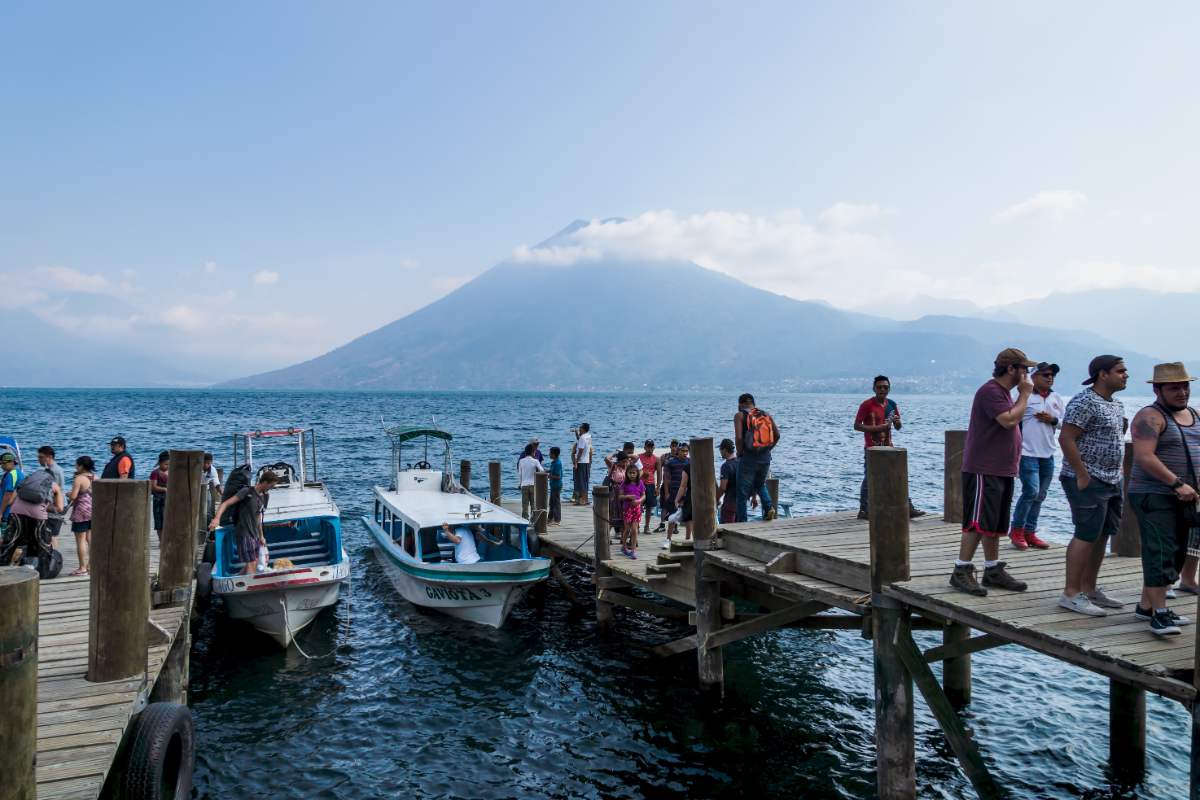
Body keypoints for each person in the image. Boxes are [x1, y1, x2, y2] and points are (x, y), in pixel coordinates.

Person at [949, 348, 1036, 596]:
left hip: (1002, 469)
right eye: (1024, 369)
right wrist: (1026, 395)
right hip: (983, 469)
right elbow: (1008, 420)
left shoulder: (1005, 393)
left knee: (994, 523)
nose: (1027, 374)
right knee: (977, 522)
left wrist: (1020, 396)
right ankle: (960, 570)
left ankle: (992, 569)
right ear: (1011, 369)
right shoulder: (991, 392)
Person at [1128, 362, 1200, 636]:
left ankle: (1146, 606)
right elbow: (1145, 457)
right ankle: (1159, 615)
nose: (1182, 392)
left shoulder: (1194, 414)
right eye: (1174, 388)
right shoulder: (1150, 417)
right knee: (1159, 550)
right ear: (1158, 389)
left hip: (1185, 497)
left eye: (1185, 386)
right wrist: (1176, 483)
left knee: (1177, 552)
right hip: (1153, 494)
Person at [1057, 355, 1129, 616]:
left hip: (1111, 478)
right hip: (1088, 478)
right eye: (1120, 371)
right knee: (1086, 532)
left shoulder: (1117, 404)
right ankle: (1071, 593)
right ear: (1103, 374)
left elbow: (1115, 438)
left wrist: (1118, 470)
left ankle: (1089, 587)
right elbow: (1066, 438)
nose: (1126, 375)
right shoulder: (1084, 401)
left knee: (1103, 533)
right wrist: (1082, 473)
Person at [1009, 362, 1064, 550]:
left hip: (1048, 453)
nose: (1050, 377)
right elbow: (1012, 421)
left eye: (1052, 375)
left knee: (1040, 495)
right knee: (1030, 491)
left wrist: (1053, 420)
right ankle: (1016, 530)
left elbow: (1065, 423)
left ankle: (1030, 532)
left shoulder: (1056, 398)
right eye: (1045, 374)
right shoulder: (1023, 397)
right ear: (1033, 377)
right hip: (1027, 453)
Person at [853, 376, 925, 520]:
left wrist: (897, 422)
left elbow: (897, 427)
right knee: (869, 479)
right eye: (879, 387)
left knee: (898, 477)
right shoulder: (867, 405)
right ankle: (864, 510)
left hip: (888, 447)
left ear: (889, 389)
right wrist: (879, 428)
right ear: (874, 388)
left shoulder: (891, 404)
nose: (882, 390)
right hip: (872, 448)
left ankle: (908, 508)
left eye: (885, 387)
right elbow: (857, 425)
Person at [209, 470, 279, 575]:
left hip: (255, 535)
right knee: (252, 564)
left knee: (251, 564)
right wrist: (217, 518)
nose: (271, 489)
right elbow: (225, 504)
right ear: (265, 482)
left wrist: (261, 536)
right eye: (271, 486)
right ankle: (252, 589)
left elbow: (259, 516)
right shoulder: (247, 492)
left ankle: (235, 579)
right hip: (244, 534)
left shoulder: (265, 496)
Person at [734, 393, 780, 522]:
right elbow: (777, 435)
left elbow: (738, 438)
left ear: (740, 404)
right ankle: (769, 507)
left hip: (748, 458)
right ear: (753, 403)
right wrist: (767, 450)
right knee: (759, 485)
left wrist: (740, 453)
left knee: (742, 493)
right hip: (765, 458)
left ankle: (742, 523)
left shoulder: (740, 415)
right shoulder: (766, 415)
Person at [5, 467, 65, 566]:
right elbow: (59, 508)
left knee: (11, 541)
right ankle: (40, 569)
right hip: (38, 515)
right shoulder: (53, 484)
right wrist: (45, 506)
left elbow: (10, 501)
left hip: (16, 512)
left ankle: (3, 566)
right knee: (40, 543)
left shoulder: (26, 481)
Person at [67, 456, 95, 575]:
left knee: (80, 540)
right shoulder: (94, 477)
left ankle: (82, 568)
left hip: (81, 512)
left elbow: (73, 496)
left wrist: (68, 494)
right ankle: (91, 565)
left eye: (77, 465)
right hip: (92, 511)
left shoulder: (79, 479)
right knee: (90, 539)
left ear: (81, 466)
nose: (75, 467)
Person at [36, 446, 66, 550]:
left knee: (52, 535)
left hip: (56, 505)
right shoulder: (49, 469)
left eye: (41, 457)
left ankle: (53, 559)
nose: (38, 459)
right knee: (49, 534)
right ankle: (50, 557)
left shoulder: (55, 471)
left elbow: (56, 490)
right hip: (52, 505)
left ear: (49, 457)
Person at [662, 442, 688, 539]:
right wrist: (666, 493)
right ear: (678, 451)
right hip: (673, 492)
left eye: (686, 451)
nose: (685, 453)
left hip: (686, 493)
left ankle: (688, 538)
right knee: (672, 516)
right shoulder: (671, 462)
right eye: (682, 451)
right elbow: (666, 479)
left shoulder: (690, 462)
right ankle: (668, 539)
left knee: (689, 518)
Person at [619, 463, 645, 559]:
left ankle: (633, 550)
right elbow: (620, 497)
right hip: (627, 509)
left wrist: (639, 501)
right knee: (627, 529)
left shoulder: (640, 483)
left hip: (637, 508)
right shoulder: (624, 484)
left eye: (634, 473)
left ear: (637, 473)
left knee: (634, 530)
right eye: (630, 473)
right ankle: (624, 546)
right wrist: (628, 496)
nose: (632, 475)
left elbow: (643, 495)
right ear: (627, 474)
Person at [655, 440, 681, 533]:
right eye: (673, 445)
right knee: (664, 505)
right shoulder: (664, 457)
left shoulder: (680, 457)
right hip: (666, 484)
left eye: (676, 446)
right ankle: (662, 525)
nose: (674, 448)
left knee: (676, 506)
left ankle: (675, 526)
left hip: (676, 485)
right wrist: (658, 485)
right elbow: (658, 470)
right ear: (670, 446)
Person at [517, 444, 546, 520]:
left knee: (525, 505)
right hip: (533, 485)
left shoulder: (521, 461)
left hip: (524, 485)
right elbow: (542, 470)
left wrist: (520, 484)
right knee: (533, 504)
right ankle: (533, 520)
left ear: (525, 452)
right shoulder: (535, 461)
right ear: (533, 452)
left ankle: (525, 520)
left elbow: (520, 474)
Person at [638, 440, 659, 537]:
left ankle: (646, 526)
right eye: (648, 447)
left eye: (651, 447)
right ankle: (636, 525)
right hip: (640, 484)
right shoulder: (639, 457)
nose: (650, 449)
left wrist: (658, 487)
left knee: (649, 507)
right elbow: (633, 469)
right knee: (638, 505)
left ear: (654, 448)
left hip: (650, 484)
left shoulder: (656, 459)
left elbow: (659, 474)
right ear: (645, 447)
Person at [674, 443, 694, 541]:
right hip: (704, 494)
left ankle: (688, 538)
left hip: (692, 494)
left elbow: (683, 486)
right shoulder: (706, 464)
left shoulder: (688, 467)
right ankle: (698, 539)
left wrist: (677, 499)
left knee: (689, 517)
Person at [0, 452, 24, 531]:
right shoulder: (13, 473)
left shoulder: (12, 475)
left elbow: (8, 495)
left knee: (4, 536)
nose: (1, 466)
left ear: (10, 462)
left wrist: (1, 513)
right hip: (10, 512)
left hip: (7, 513)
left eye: (2, 463)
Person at [149, 451, 170, 540]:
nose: (167, 466)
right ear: (160, 463)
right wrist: (165, 489)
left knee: (167, 519)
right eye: (166, 464)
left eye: (169, 464)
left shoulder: (170, 472)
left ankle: (166, 539)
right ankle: (161, 540)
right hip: (158, 499)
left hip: (168, 500)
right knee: (158, 521)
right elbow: (153, 487)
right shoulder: (155, 473)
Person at [718, 438, 739, 525]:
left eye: (720, 450)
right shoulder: (740, 462)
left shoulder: (725, 466)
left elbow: (723, 487)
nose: (720, 452)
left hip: (730, 502)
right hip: (741, 502)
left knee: (727, 529)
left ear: (725, 450)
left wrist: (716, 499)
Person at [572, 423, 593, 505]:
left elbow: (580, 450)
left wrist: (576, 462)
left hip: (581, 462)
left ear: (583, 429)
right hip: (586, 461)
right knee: (585, 480)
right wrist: (576, 433)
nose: (579, 428)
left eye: (580, 427)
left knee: (581, 481)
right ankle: (585, 499)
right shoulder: (588, 436)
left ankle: (582, 500)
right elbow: (580, 440)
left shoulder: (582, 438)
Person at [202, 452, 221, 524]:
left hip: (206, 490)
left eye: (209, 463)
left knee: (208, 509)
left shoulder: (213, 470)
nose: (207, 465)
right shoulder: (196, 467)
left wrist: (221, 492)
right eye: (205, 463)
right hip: (195, 490)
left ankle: (208, 526)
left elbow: (217, 483)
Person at [547, 447, 564, 524]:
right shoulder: (554, 462)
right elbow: (552, 470)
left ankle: (557, 519)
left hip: (556, 486)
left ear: (554, 454)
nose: (549, 454)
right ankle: (550, 518)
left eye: (550, 453)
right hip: (553, 485)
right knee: (551, 502)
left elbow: (558, 476)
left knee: (556, 503)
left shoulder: (557, 463)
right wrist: (547, 471)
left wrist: (550, 476)